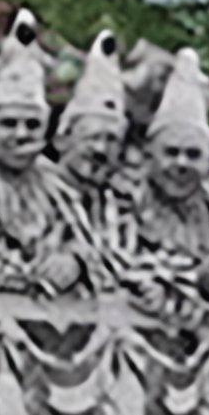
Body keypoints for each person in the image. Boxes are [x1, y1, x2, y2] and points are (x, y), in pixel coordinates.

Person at [0, 9, 105, 297]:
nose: (21, 134)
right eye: (9, 124)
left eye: (32, 125)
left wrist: (75, 261)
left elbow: (93, 247)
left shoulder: (59, 191)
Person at [116, 48, 209, 323]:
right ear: (150, 155)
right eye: (171, 153)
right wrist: (195, 279)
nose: (182, 164)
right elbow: (116, 264)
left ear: (208, 161)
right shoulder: (125, 200)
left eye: (193, 155)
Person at [54, 29, 140, 269]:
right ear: (62, 140)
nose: (101, 150)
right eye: (91, 138)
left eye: (112, 140)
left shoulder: (123, 205)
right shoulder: (35, 196)